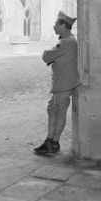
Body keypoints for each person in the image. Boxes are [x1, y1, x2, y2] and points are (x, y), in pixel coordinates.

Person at [34, 11, 80, 155]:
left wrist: (50, 56)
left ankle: (54, 143)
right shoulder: (70, 41)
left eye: (56, 24)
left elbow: (46, 56)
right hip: (62, 84)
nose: (54, 27)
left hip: (63, 84)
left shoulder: (67, 43)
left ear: (62, 25)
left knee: (58, 111)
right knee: (53, 109)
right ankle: (50, 141)